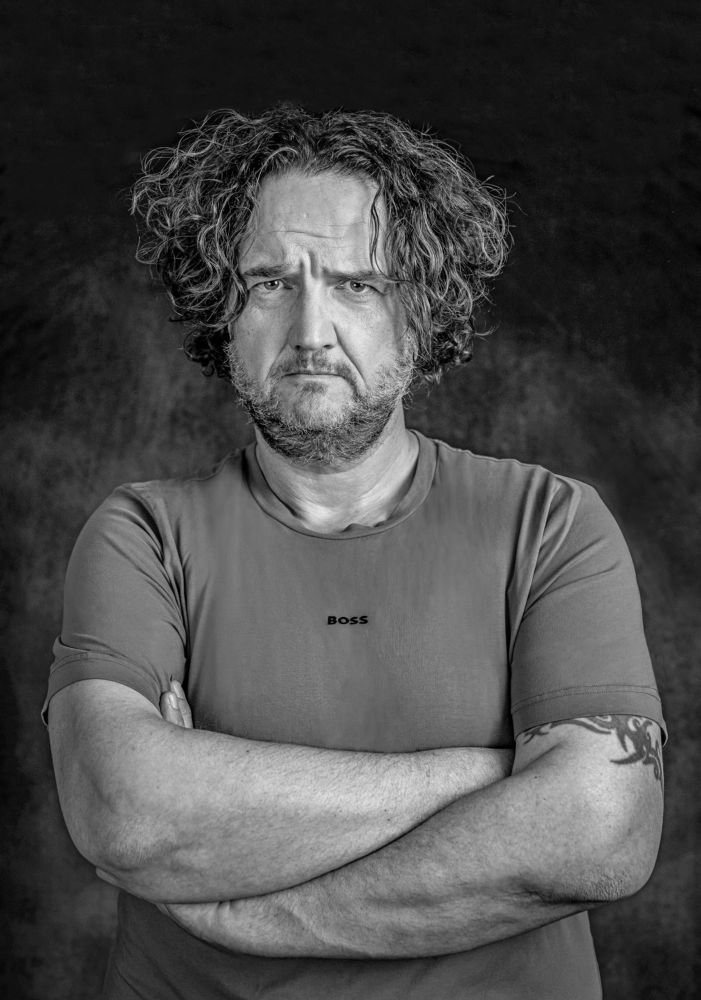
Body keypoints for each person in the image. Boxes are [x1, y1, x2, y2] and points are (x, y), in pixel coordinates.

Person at [45, 106, 666, 1000]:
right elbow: (127, 813)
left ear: (420, 315)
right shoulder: (142, 534)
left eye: (358, 285)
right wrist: (491, 776)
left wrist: (255, 915)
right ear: (222, 313)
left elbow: (601, 838)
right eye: (268, 283)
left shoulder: (552, 524)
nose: (311, 331)